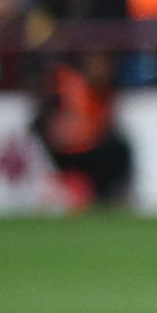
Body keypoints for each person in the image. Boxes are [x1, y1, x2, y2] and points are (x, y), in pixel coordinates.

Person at [34, 51, 132, 207]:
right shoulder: (68, 83)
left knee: (117, 147)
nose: (100, 70)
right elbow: (43, 116)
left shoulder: (103, 90)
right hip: (67, 148)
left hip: (90, 145)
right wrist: (55, 132)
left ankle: (108, 197)